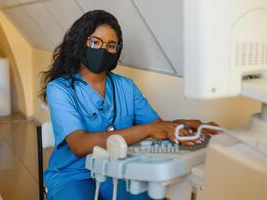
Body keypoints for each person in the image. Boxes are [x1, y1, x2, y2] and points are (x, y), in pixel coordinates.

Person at [40, 10, 218, 200]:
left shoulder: (125, 86)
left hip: (116, 170)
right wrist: (151, 129)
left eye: (111, 45)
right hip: (72, 176)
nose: (102, 50)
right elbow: (79, 144)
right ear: (80, 42)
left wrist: (184, 125)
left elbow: (156, 127)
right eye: (95, 42)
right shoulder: (59, 88)